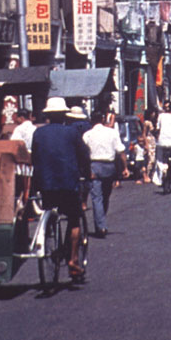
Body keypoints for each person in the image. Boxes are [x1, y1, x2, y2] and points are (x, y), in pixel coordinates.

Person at [30, 96, 89, 280]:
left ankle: (50, 233)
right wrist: (87, 174)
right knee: (74, 219)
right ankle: (73, 259)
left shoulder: (38, 133)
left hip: (46, 184)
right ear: (65, 115)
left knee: (50, 210)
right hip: (67, 183)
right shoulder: (71, 133)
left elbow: (35, 159)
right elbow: (83, 156)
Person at [83, 107, 129, 238]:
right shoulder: (112, 133)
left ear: (91, 120)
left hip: (94, 166)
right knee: (105, 195)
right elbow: (121, 152)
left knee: (97, 197)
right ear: (103, 119)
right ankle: (101, 223)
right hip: (109, 166)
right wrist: (125, 168)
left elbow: (84, 154)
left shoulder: (87, 135)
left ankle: (100, 224)